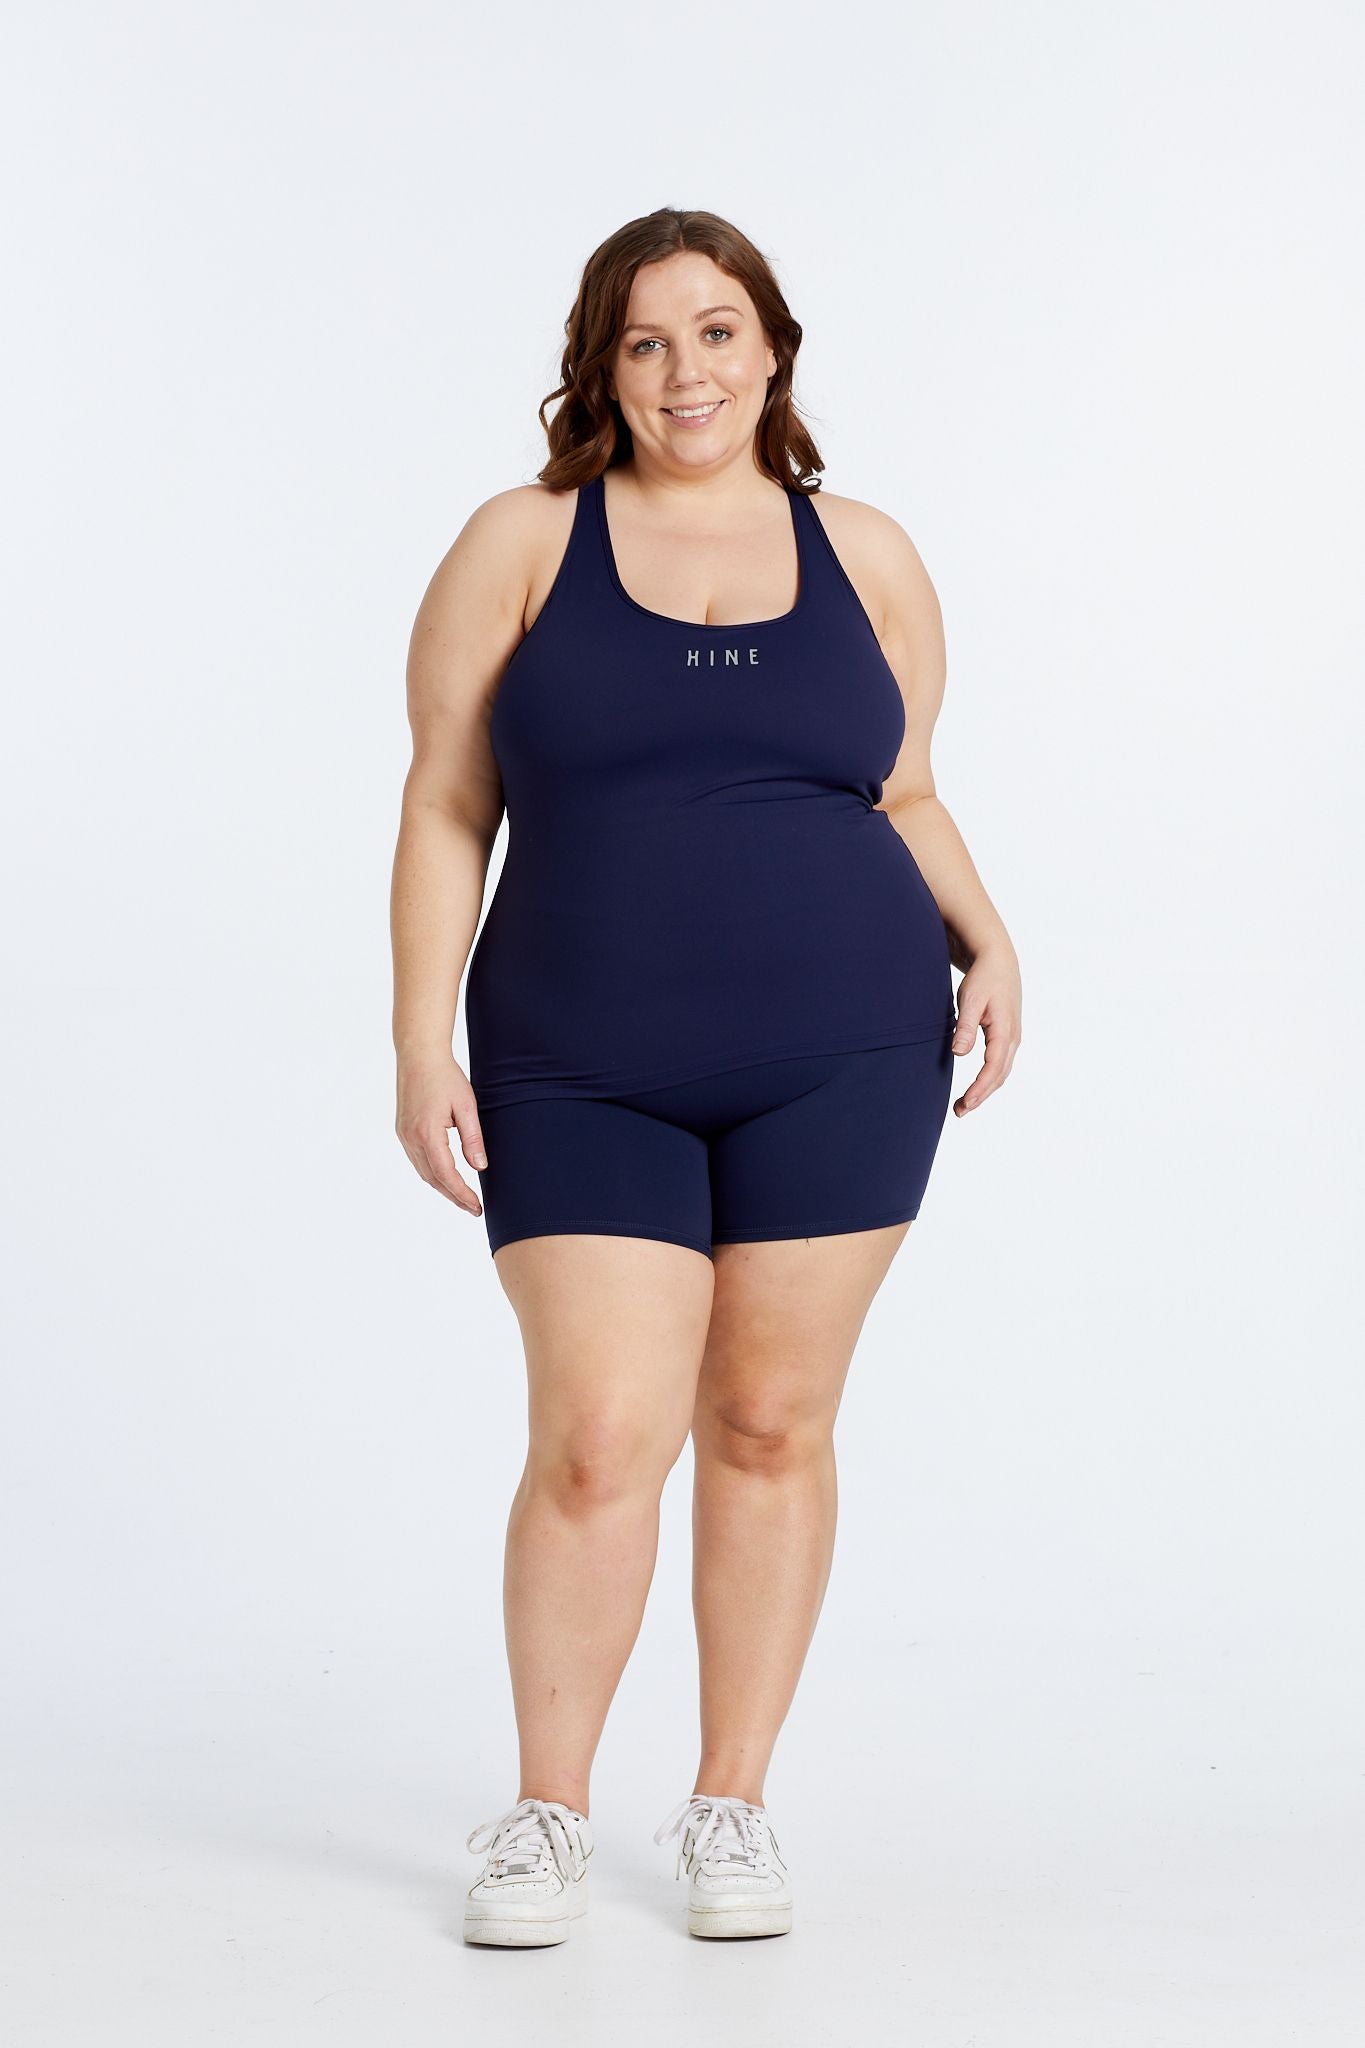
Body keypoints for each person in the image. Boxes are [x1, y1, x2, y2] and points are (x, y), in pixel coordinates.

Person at [390, 208, 1022, 1947]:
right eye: (647, 339)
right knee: (600, 1437)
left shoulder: (867, 553)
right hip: (576, 1058)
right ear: (601, 367)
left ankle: (731, 1805)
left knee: (766, 1423)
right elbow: (446, 800)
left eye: (718, 331)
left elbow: (901, 788)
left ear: (772, 350)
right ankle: (545, 1814)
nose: (686, 371)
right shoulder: (523, 541)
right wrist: (418, 1037)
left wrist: (989, 934)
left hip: (847, 1045)